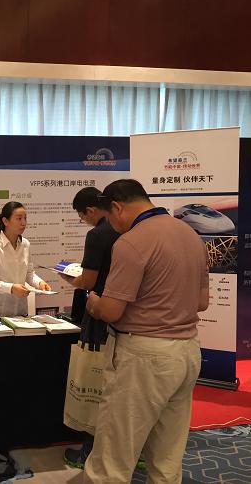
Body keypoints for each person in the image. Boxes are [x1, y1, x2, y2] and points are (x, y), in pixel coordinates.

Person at [83, 179, 209, 484]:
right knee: (167, 456)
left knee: (113, 456)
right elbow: (202, 303)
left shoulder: (131, 242)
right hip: (187, 350)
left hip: (142, 356)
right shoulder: (190, 234)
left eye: (109, 217)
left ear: (116, 207)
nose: (112, 225)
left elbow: (111, 311)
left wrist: (94, 303)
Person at [60, 187, 120, 469]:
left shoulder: (98, 234)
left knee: (97, 384)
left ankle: (90, 453)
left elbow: (88, 281)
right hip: (127, 317)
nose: (83, 221)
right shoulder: (129, 230)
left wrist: (70, 278)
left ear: (91, 211)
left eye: (81, 216)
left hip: (100, 314)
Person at [0, 201, 51, 318]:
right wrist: (11, 288)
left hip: (20, 312)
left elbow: (29, 273)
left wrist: (40, 283)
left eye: (25, 218)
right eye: (19, 218)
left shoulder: (25, 244)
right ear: (5, 221)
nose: (23, 223)